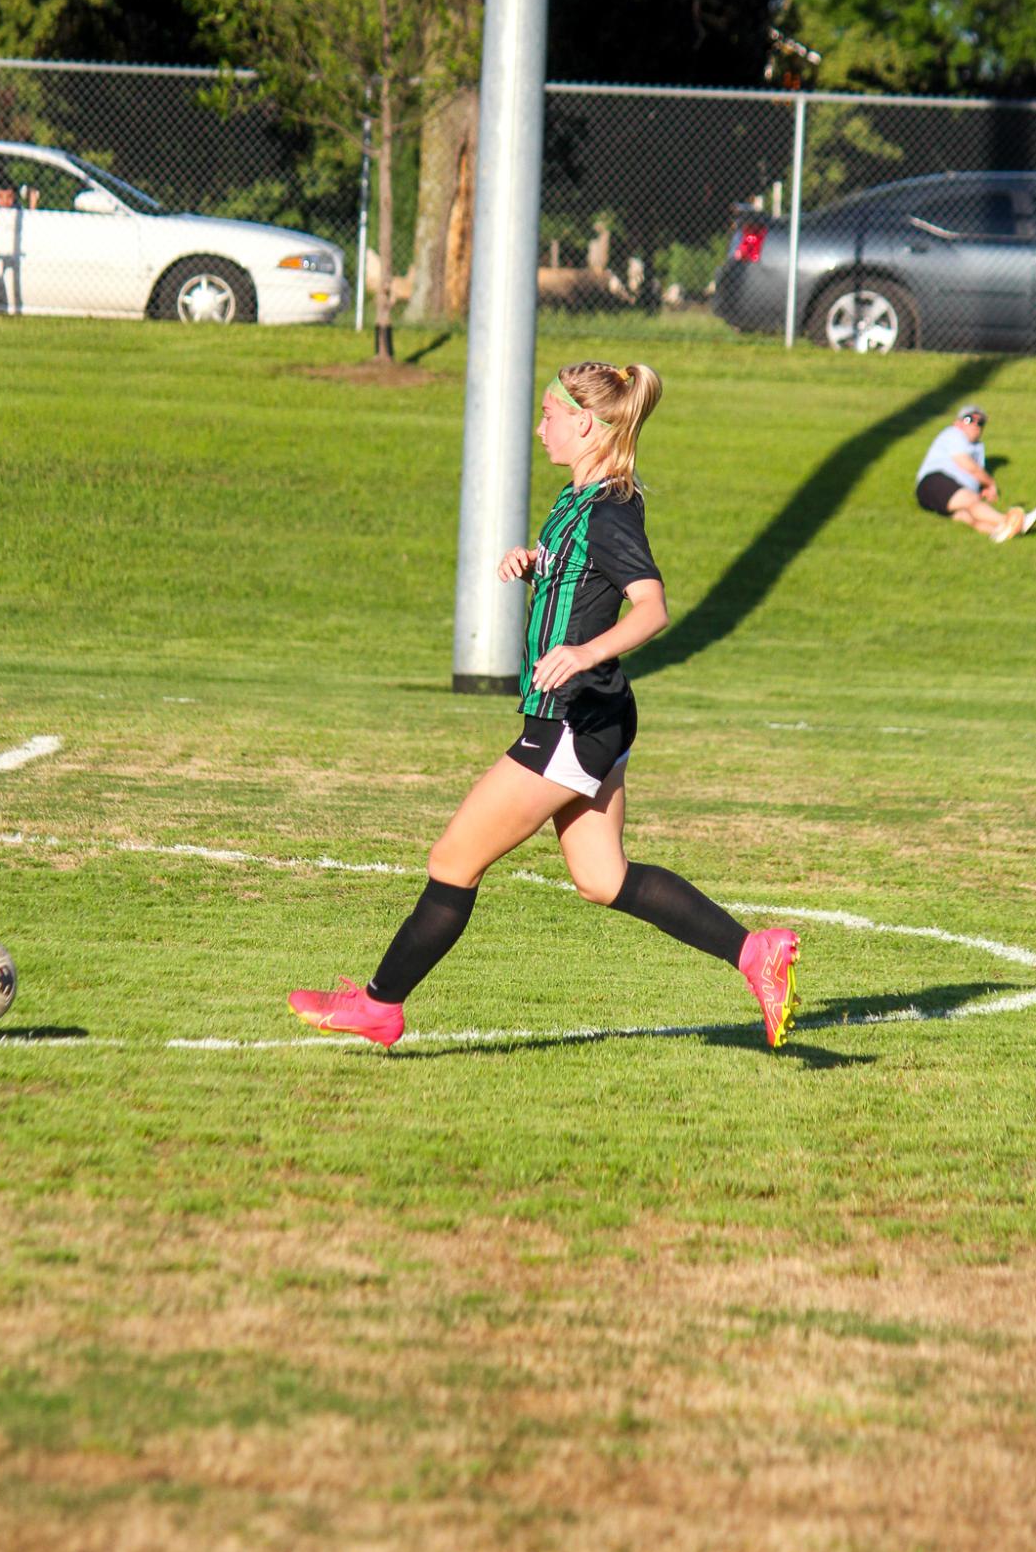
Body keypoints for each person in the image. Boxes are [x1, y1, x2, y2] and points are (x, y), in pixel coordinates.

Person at [289, 360, 802, 1052]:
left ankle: (379, 1005)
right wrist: (535, 563)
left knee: (454, 858)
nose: (539, 429)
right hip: (596, 717)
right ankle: (754, 951)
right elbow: (580, 569)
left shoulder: (611, 509)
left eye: (549, 416)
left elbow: (651, 607)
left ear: (585, 423)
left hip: (572, 720)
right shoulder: (576, 500)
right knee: (603, 877)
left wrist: (585, 653)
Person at [914, 405, 1036, 542]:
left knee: (969, 517)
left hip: (946, 492)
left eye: (980, 423)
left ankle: (1002, 533)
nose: (975, 425)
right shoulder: (953, 433)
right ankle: (1013, 521)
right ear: (957, 422)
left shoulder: (978, 448)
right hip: (935, 482)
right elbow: (967, 464)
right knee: (971, 501)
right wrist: (990, 483)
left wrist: (983, 488)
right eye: (969, 419)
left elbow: (974, 473)